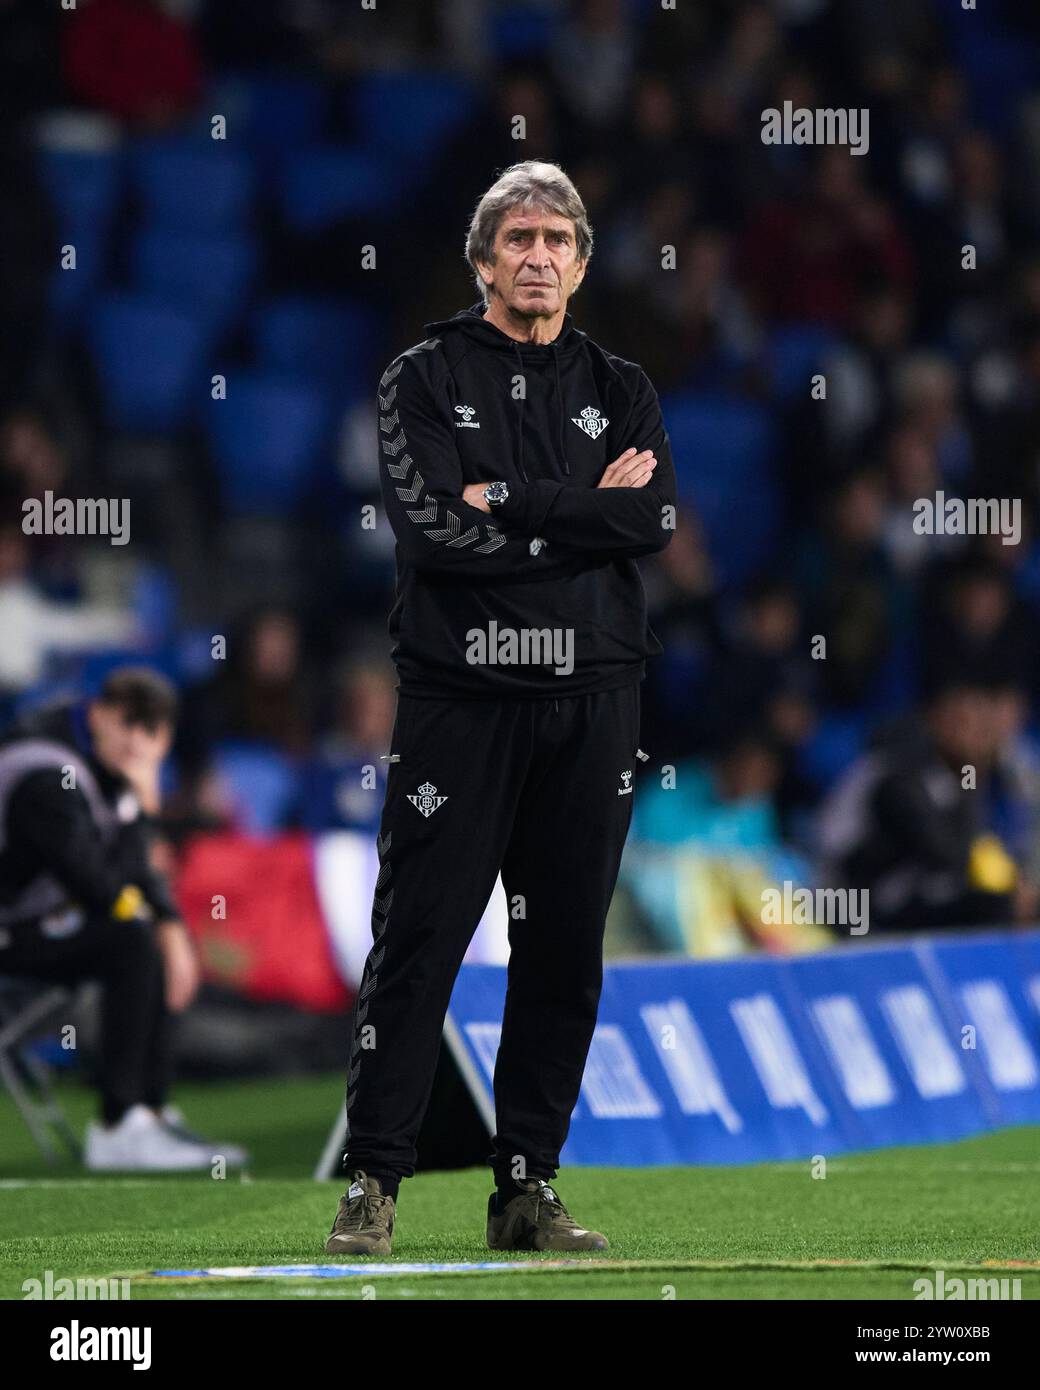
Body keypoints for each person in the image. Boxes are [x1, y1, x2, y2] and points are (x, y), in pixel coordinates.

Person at [325, 160, 676, 1255]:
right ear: (483, 260)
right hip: (463, 700)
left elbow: (654, 517)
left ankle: (526, 1185)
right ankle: (373, 1183)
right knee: (419, 941)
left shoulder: (621, 384)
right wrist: (582, 515)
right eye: (516, 237)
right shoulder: (421, 377)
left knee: (563, 948)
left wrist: (518, 504)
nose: (536, 255)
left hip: (596, 700)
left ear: (578, 262)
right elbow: (435, 534)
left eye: (556, 239)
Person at [0, 666, 247, 1170]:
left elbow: (130, 877)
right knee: (130, 939)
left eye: (150, 730)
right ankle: (118, 1123)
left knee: (143, 935)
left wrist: (172, 926)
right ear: (98, 714)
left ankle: (147, 1113)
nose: (137, 740)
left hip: (30, 922)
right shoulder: (46, 773)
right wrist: (144, 809)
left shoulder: (102, 764)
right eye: (127, 723)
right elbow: (96, 887)